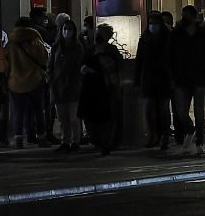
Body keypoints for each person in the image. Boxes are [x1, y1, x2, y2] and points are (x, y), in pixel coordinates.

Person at [168, 4, 205, 157]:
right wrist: (173, 76)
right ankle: (190, 130)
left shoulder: (203, 34)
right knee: (181, 111)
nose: (185, 18)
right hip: (182, 77)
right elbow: (171, 57)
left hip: (198, 77)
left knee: (199, 112)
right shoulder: (177, 34)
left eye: (187, 15)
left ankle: (199, 142)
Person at [7, 13, 51, 148]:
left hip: (15, 82)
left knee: (18, 111)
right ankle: (41, 137)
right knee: (38, 110)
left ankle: (18, 139)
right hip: (35, 81)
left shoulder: (11, 42)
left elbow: (5, 63)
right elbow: (44, 59)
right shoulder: (35, 41)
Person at [134, 13, 173, 150]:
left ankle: (164, 136)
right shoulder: (145, 38)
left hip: (163, 79)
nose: (152, 26)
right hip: (148, 78)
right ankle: (153, 134)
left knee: (162, 109)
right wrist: (137, 80)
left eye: (155, 23)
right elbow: (139, 60)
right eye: (151, 23)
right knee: (149, 108)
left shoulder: (167, 38)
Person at [48, 16, 85, 153]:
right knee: (63, 118)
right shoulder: (56, 47)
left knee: (73, 117)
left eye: (70, 29)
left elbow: (79, 66)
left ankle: (76, 141)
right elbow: (50, 65)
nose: (67, 32)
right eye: (65, 29)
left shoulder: (77, 48)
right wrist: (51, 80)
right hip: (58, 86)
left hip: (73, 87)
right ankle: (65, 141)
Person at [93, 24, 126, 150]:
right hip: (97, 87)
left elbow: (118, 66)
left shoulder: (112, 50)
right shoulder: (92, 49)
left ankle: (109, 141)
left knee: (111, 115)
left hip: (110, 86)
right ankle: (101, 140)